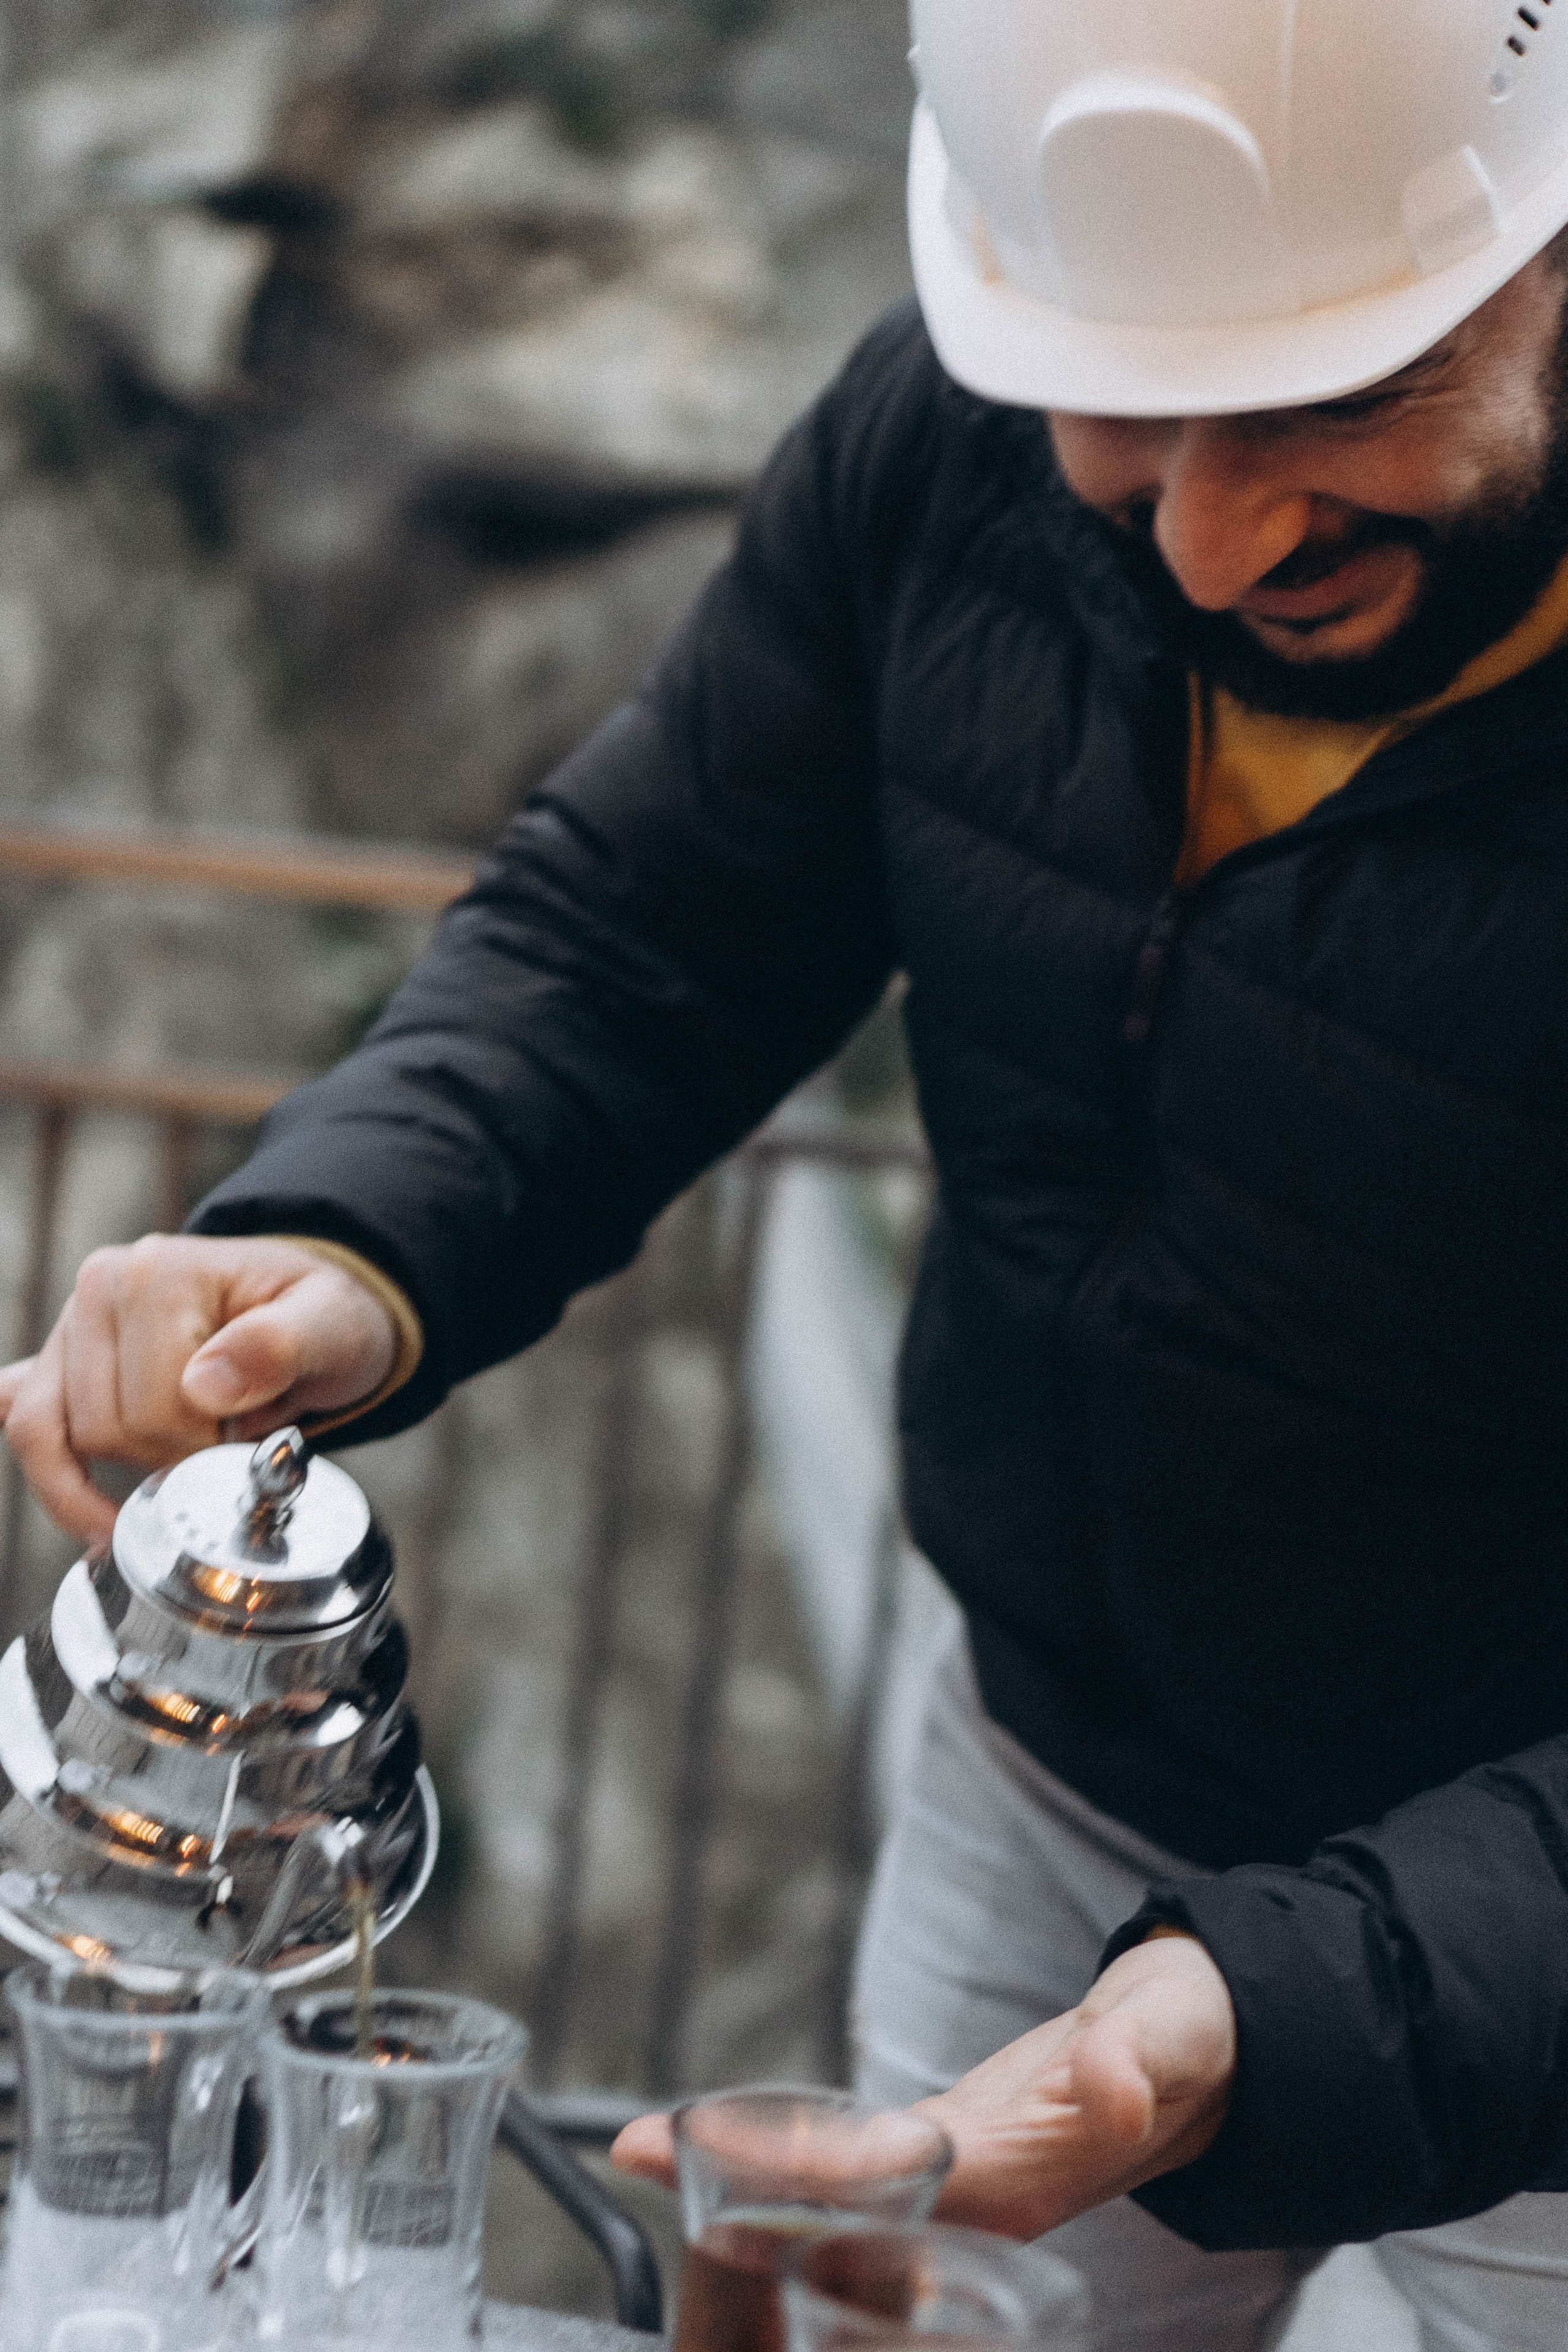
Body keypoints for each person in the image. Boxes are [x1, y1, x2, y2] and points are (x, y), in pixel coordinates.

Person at [7, 2, 1568, 2342]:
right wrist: (343, 1237)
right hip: (1041, 1783)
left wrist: (1260, 2021)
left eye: (1338, 398)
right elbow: (646, 930)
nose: (1215, 539)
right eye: (1130, 419)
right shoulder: (948, 450)